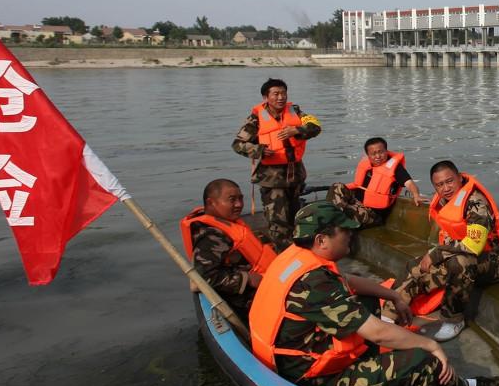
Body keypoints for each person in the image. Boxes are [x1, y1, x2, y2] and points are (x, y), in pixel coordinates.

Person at [249, 202, 499, 386]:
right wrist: (430, 345)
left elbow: (347, 281)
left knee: (368, 299)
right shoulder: (314, 284)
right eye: (344, 231)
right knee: (420, 359)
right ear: (322, 240)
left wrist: (394, 296)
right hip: (313, 382)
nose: (351, 236)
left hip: (291, 357)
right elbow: (375, 332)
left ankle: (377, 360)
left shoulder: (297, 257)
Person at [393, 161, 499, 341]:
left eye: (450, 182)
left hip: (493, 260)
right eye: (439, 185)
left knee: (459, 263)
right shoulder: (444, 201)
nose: (446, 188)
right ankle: (391, 310)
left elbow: (474, 246)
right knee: (415, 264)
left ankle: (453, 320)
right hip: (459, 252)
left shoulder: (475, 202)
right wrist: (432, 255)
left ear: (459, 178)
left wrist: (436, 254)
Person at [232, 78, 321, 250]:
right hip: (271, 180)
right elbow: (237, 144)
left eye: (283, 93)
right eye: (276, 94)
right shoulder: (256, 117)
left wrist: (297, 130)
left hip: (295, 175)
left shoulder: (296, 112)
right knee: (278, 223)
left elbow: (315, 127)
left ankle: (299, 254)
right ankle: (284, 257)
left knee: (297, 217)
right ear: (266, 97)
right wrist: (259, 150)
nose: (281, 97)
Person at [180, 178, 277, 321]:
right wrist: (247, 279)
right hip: (245, 299)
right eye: (232, 200)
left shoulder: (229, 223)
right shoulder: (211, 236)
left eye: (240, 199)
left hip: (265, 282)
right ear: (210, 202)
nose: (239, 205)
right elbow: (204, 279)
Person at [329, 137, 422, 228]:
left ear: (386, 151)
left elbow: (409, 183)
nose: (378, 156)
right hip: (357, 204)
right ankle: (334, 219)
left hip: (372, 215)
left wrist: (416, 195)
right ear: (368, 155)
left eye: (381, 152)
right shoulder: (366, 165)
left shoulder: (396, 169)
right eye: (373, 154)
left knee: (339, 211)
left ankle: (334, 223)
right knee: (336, 186)